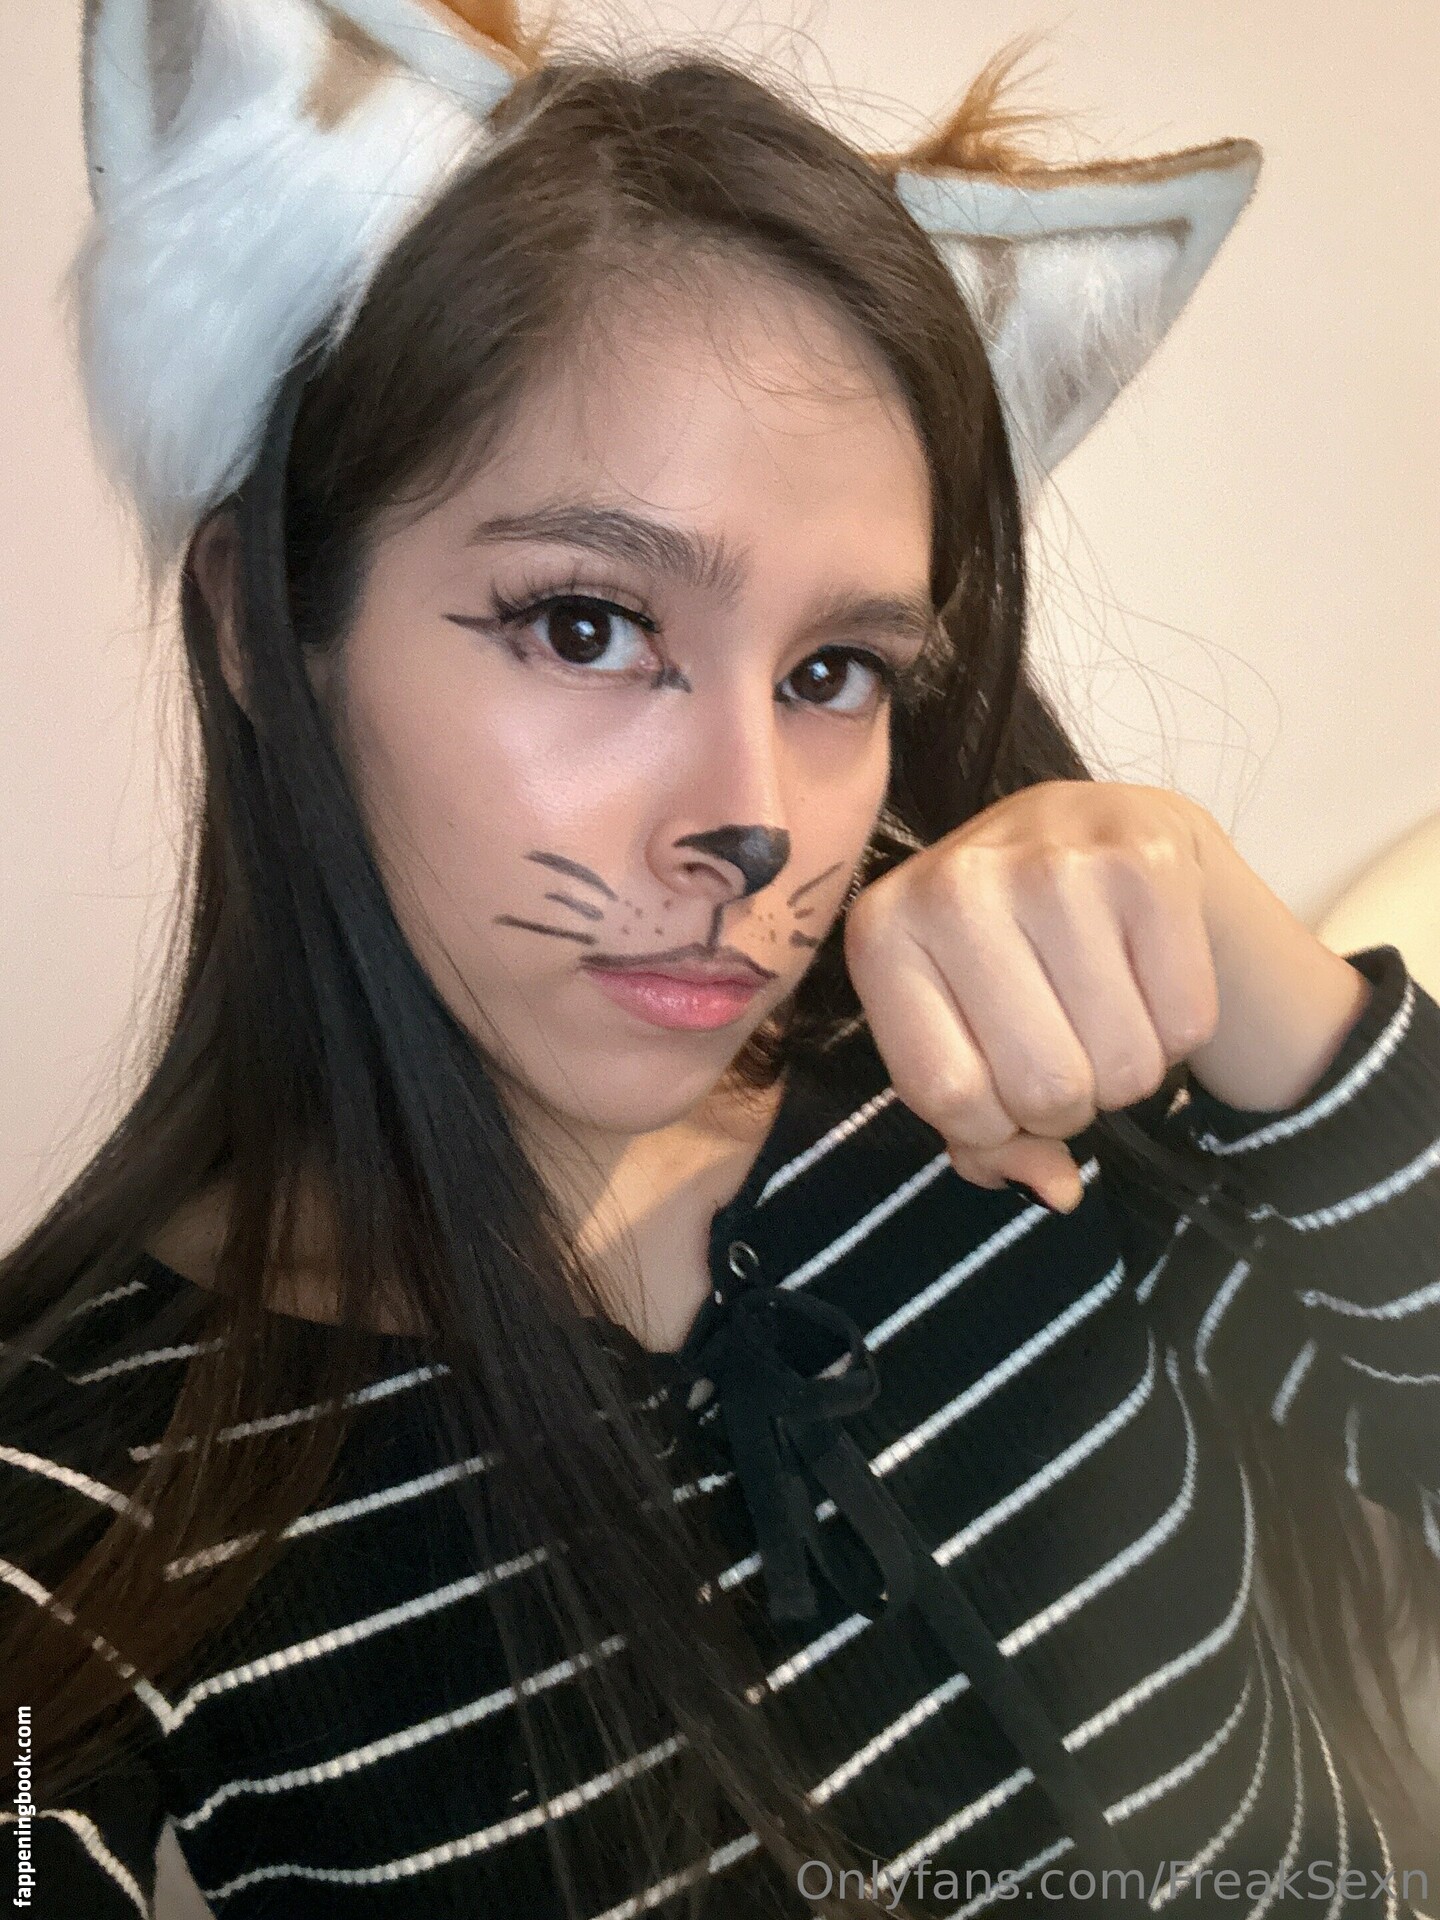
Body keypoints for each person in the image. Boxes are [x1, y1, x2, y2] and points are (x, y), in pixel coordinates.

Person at [3, 3, 1438, 1916]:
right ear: (267, 632)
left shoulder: (1006, 1091)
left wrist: (1277, 1004)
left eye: (836, 670)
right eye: (587, 627)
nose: (752, 827)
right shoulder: (82, 1489)